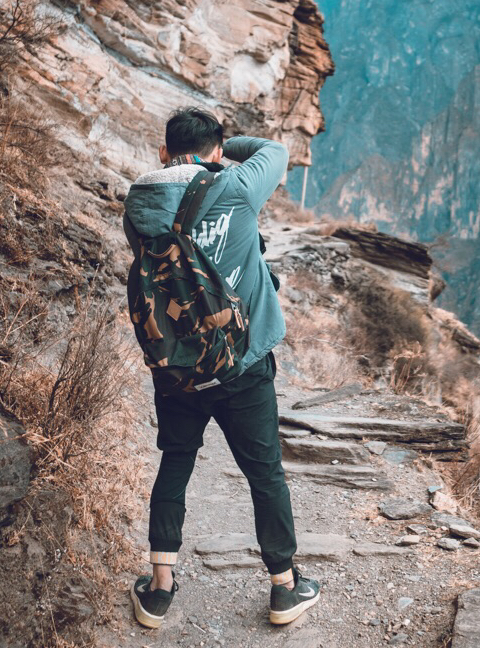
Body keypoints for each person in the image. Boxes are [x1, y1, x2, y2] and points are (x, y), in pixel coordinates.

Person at [122, 107, 319, 629]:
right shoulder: (235, 187)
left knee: (176, 460)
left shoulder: (138, 203)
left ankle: (159, 590)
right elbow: (273, 151)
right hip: (243, 364)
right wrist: (222, 147)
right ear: (216, 152)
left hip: (177, 365)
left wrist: (195, 154)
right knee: (264, 472)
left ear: (162, 153)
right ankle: (284, 587)